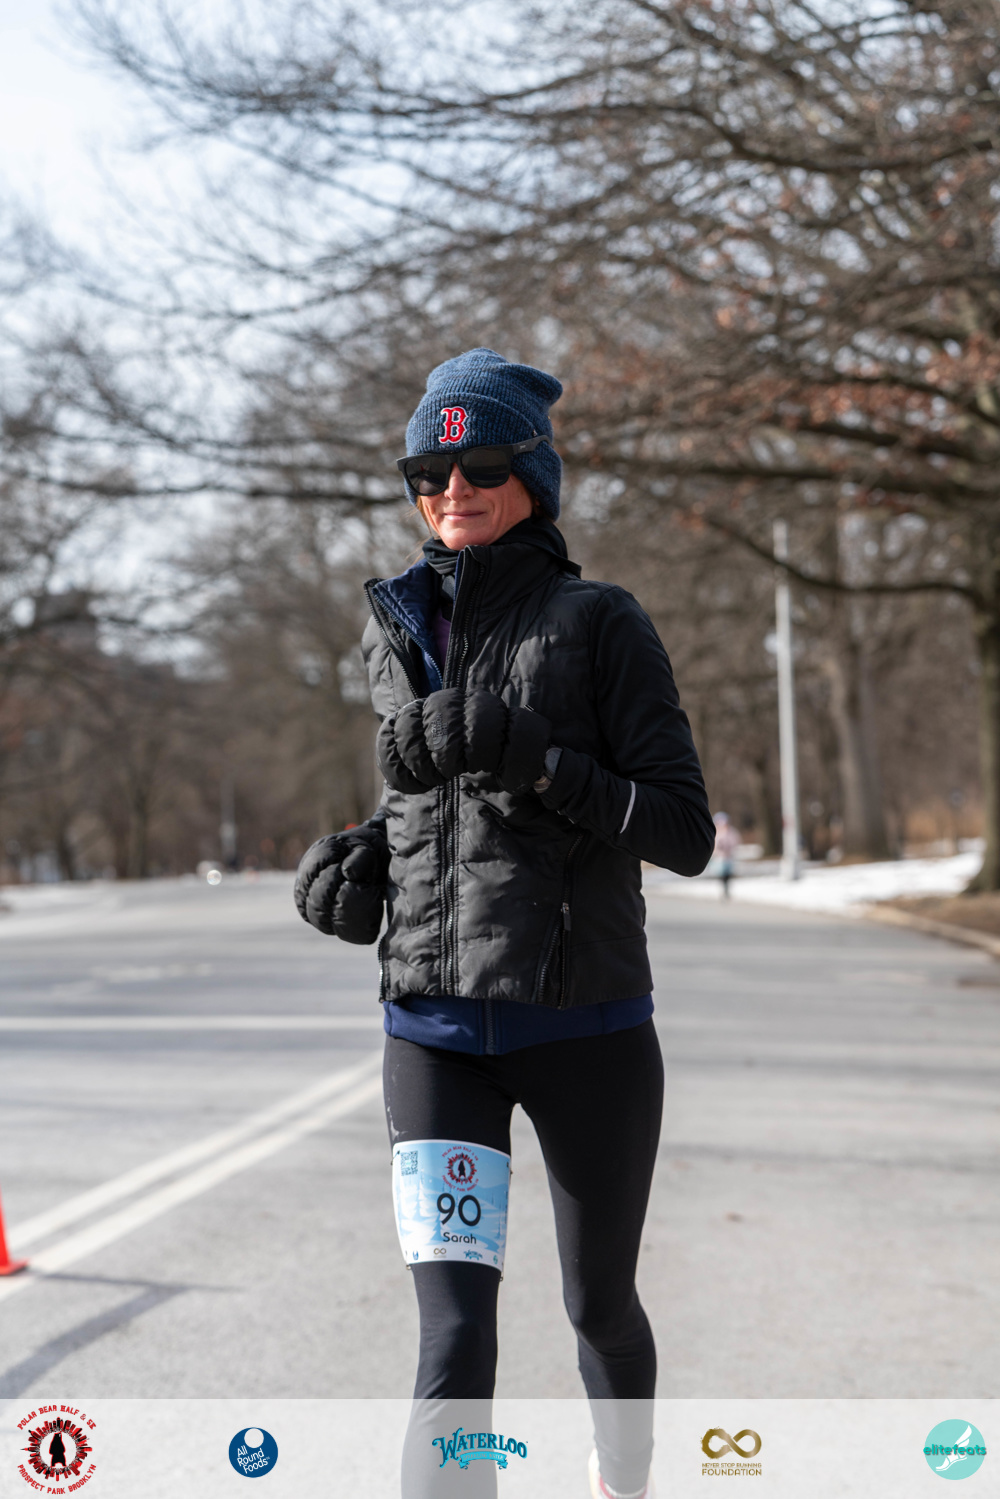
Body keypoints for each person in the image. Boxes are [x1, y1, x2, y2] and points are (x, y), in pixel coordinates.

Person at [294, 349, 715, 1499]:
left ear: (533, 474)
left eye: (480, 464)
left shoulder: (600, 621)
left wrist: (542, 763)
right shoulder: (393, 623)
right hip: (434, 1036)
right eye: (427, 471)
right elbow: (423, 802)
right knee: (452, 1335)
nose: (452, 489)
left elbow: (682, 828)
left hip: (587, 1030)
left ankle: (622, 1480)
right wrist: (363, 857)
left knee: (598, 1305)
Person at [713, 811, 741, 899]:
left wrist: (729, 848)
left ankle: (726, 889)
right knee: (721, 874)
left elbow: (735, 842)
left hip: (728, 856)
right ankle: (723, 889)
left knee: (727, 874)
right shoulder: (715, 832)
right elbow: (713, 844)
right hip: (719, 857)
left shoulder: (731, 832)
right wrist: (717, 850)